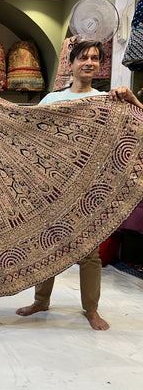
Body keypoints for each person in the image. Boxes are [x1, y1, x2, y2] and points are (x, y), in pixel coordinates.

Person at [16, 40, 143, 331]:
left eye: (95, 58)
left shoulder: (109, 100)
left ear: (100, 66)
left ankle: (92, 310)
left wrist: (132, 99)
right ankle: (41, 301)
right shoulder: (51, 100)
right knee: (46, 246)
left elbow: (138, 125)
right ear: (70, 64)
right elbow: (32, 140)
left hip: (89, 190)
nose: (89, 62)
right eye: (83, 57)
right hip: (52, 186)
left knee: (88, 252)